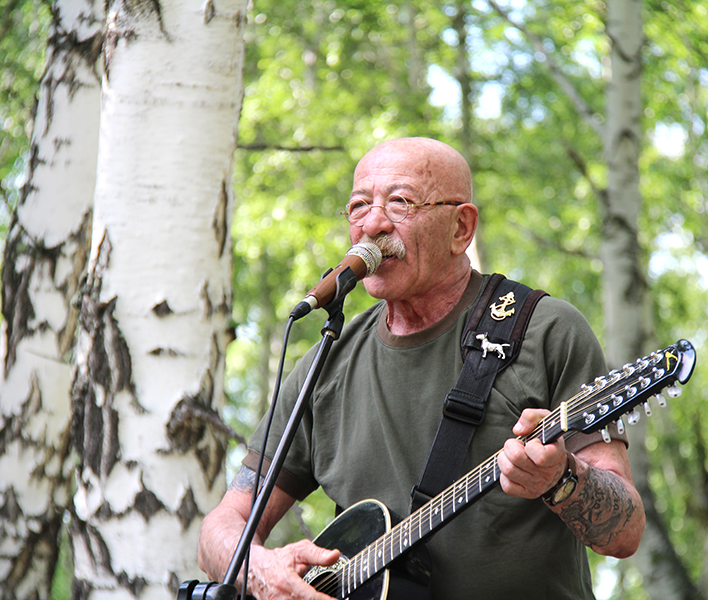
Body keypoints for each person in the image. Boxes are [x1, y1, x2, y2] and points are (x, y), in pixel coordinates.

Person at [197, 137, 645, 599]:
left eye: (399, 203)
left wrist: (562, 480)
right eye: (358, 206)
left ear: (460, 228)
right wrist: (258, 569)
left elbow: (625, 532)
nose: (372, 224)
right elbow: (221, 525)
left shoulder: (544, 330)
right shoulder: (325, 365)